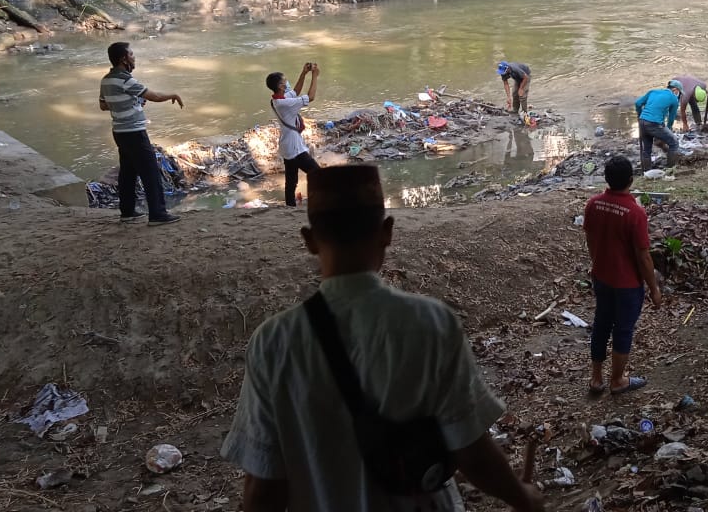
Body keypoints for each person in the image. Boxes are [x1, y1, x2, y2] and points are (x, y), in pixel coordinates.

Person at [221, 165, 544, 512]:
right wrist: (523, 499)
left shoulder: (273, 342)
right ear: (387, 231)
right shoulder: (431, 323)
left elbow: (264, 482)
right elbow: (471, 450)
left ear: (309, 240)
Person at [583, 156, 662, 395]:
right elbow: (643, 256)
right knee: (623, 330)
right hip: (627, 283)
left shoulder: (593, 204)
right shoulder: (634, 212)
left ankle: (596, 379)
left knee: (601, 324)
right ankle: (617, 380)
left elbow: (590, 239)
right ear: (631, 180)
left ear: (606, 179)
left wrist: (596, 262)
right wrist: (654, 288)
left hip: (601, 277)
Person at [98, 42, 183, 226]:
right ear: (123, 59)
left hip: (119, 132)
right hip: (134, 132)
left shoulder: (106, 79)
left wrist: (131, 102)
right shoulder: (126, 80)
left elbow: (103, 105)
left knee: (127, 172)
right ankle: (158, 214)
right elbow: (155, 96)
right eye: (131, 54)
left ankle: (127, 212)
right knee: (151, 172)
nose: (134, 57)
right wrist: (173, 95)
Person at [267, 63, 320, 206]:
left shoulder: (277, 100)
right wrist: (315, 76)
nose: (287, 82)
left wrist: (304, 73)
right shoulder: (285, 104)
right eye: (285, 81)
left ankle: (290, 208)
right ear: (280, 86)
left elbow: (295, 92)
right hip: (295, 147)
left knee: (291, 181)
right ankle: (317, 201)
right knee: (317, 174)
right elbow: (311, 97)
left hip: (286, 146)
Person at [634, 80, 683, 171]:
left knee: (647, 149)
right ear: (675, 90)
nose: (679, 95)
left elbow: (638, 103)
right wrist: (668, 131)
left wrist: (640, 115)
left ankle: (647, 172)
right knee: (674, 143)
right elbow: (671, 119)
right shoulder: (673, 98)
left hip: (642, 122)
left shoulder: (652, 92)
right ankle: (670, 169)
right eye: (679, 92)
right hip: (654, 123)